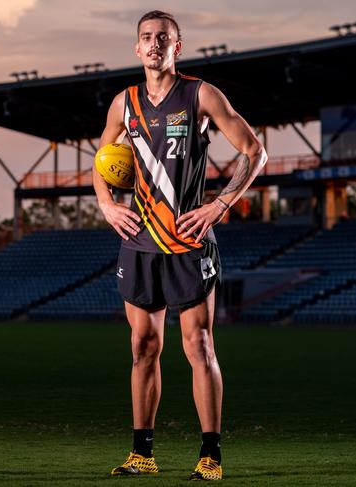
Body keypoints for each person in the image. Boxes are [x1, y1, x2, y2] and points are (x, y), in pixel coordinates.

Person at [92, 10, 267, 481]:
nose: (154, 44)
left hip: (189, 242)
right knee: (143, 346)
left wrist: (221, 205)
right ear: (136, 48)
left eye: (162, 38)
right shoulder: (123, 104)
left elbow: (255, 151)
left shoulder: (200, 94)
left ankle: (210, 456)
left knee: (199, 345)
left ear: (177, 46)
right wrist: (108, 206)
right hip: (140, 242)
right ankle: (142, 454)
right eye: (146, 38)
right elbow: (101, 159)